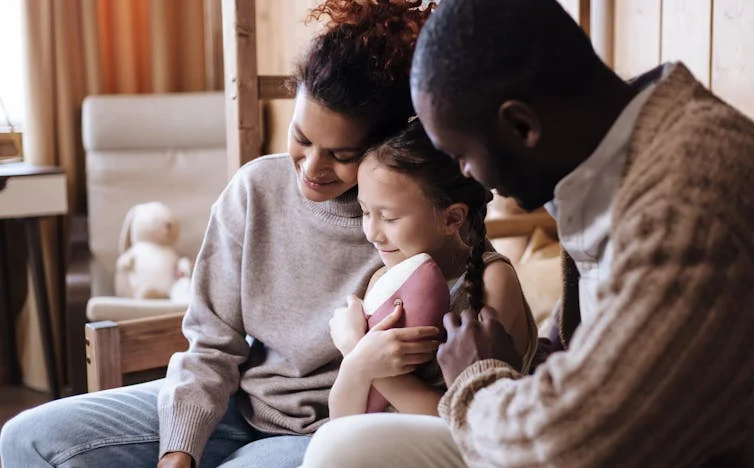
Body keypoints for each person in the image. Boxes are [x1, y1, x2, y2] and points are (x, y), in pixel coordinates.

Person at [301, 0, 754, 466]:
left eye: (463, 157)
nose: (471, 178)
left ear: (520, 125)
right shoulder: (622, 157)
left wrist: (479, 377)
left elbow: (572, 449)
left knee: (344, 452)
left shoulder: (689, 210)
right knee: (345, 444)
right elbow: (600, 343)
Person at [0, 1, 437, 467]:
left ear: (384, 144)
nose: (312, 167)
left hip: (324, 436)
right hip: (234, 404)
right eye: (302, 138)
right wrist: (179, 449)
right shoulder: (255, 190)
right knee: (26, 440)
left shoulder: (411, 225)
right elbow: (210, 344)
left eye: (341, 155)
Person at [327, 119, 537, 419]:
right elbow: (342, 420)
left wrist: (356, 350)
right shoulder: (383, 280)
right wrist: (357, 364)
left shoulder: (492, 279)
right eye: (365, 212)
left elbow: (463, 420)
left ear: (452, 219)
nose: (372, 233)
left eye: (389, 217)